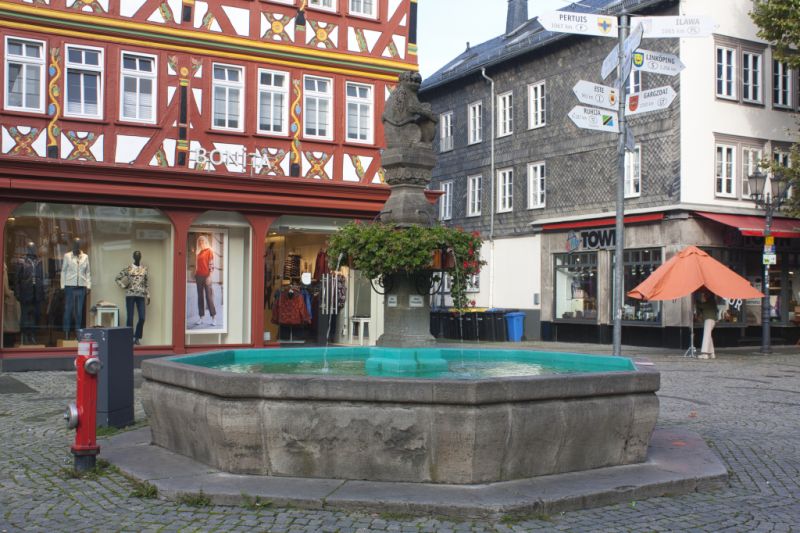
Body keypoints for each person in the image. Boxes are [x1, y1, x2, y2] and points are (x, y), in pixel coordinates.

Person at [115, 251, 149, 345]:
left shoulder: (144, 269)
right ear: (133, 257)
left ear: (141, 257)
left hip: (141, 295)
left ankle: (137, 337)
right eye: (136, 256)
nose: (138, 257)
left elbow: (146, 283)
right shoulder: (129, 269)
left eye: (139, 255)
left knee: (142, 317)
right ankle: (129, 337)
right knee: (130, 317)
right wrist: (123, 286)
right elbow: (117, 278)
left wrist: (148, 294)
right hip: (130, 294)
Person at [61, 237, 91, 340]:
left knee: (79, 311)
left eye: (78, 244)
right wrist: (62, 285)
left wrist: (88, 286)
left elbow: (88, 272)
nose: (76, 245)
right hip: (70, 286)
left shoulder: (85, 257)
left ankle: (78, 333)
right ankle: (66, 333)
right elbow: (63, 271)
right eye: (75, 244)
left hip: (81, 287)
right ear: (72, 244)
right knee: (68, 310)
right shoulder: (67, 256)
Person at [194, 235, 216, 326]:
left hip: (207, 277)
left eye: (202, 241)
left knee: (209, 297)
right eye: (200, 242)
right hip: (198, 277)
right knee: (200, 298)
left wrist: (210, 277)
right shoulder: (198, 253)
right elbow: (197, 266)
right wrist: (195, 274)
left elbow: (211, 265)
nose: (201, 243)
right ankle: (201, 317)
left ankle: (213, 318)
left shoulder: (209, 251)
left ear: (206, 242)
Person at [697, 289, 718, 359]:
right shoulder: (712, 301)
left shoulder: (710, 301)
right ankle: (712, 353)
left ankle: (704, 353)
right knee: (709, 336)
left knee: (706, 335)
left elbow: (702, 306)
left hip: (709, 320)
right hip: (711, 320)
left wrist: (697, 301)